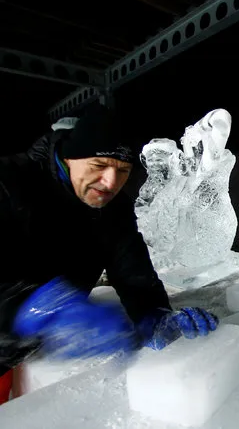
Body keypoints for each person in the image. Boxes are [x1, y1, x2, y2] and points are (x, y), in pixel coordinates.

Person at [0, 105, 218, 401]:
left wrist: (156, 316)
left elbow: (134, 277)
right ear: (70, 156)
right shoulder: (10, 182)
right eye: (99, 165)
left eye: (123, 171)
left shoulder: (113, 211)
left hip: (20, 354)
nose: (111, 183)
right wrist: (29, 307)